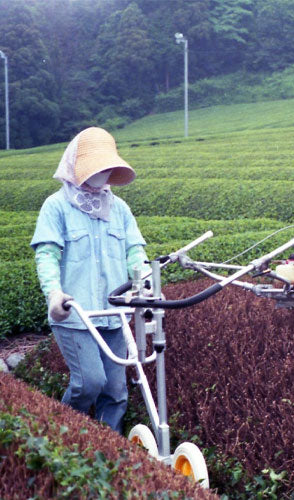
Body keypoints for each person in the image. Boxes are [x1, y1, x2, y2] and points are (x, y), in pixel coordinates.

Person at [31, 127, 150, 433]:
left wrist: (144, 279)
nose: (103, 174)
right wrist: (54, 294)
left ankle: (108, 449)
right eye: (97, 167)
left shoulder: (119, 209)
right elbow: (47, 255)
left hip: (113, 315)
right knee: (89, 383)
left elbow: (135, 250)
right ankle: (63, 436)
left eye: (106, 167)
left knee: (116, 392)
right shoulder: (56, 207)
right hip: (75, 315)